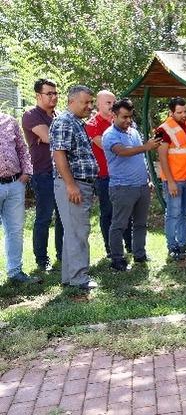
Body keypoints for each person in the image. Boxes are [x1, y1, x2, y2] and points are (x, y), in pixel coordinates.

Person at [101, 99, 161, 270]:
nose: (128, 120)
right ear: (114, 115)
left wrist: (148, 179)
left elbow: (141, 158)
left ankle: (139, 254)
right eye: (124, 117)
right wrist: (146, 146)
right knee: (119, 224)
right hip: (122, 187)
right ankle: (117, 259)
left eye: (130, 116)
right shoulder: (110, 135)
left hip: (141, 185)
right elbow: (123, 152)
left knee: (141, 223)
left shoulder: (133, 132)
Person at [51, 85, 99, 290]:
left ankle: (71, 277)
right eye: (85, 102)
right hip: (73, 184)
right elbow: (59, 154)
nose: (90, 106)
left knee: (73, 231)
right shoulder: (64, 122)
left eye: (91, 102)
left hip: (79, 184)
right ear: (72, 102)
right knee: (79, 232)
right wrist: (71, 185)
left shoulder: (75, 122)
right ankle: (79, 278)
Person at [22, 79, 63, 271]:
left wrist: (52, 137)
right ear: (38, 95)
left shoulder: (59, 115)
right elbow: (50, 138)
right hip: (43, 173)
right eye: (49, 93)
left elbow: (53, 138)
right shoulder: (31, 115)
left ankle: (63, 255)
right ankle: (41, 259)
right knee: (44, 217)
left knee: (63, 217)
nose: (54, 97)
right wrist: (51, 136)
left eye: (56, 93)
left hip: (63, 173)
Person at [85, 90, 131, 258]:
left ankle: (130, 245)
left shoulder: (121, 121)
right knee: (108, 212)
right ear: (98, 104)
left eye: (113, 102)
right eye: (108, 103)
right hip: (105, 175)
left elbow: (130, 143)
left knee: (127, 211)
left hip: (124, 173)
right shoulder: (92, 124)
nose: (112, 106)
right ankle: (111, 249)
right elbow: (108, 145)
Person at [156, 97, 186, 260]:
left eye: (185, 111)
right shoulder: (163, 129)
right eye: (179, 112)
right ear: (171, 112)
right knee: (173, 213)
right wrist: (170, 181)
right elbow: (162, 156)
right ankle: (172, 246)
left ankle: (183, 243)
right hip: (175, 179)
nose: (184, 115)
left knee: (185, 213)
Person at [0, 112, 39, 284]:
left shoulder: (9, 120)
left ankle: (15, 272)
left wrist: (27, 173)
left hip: (15, 183)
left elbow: (22, 149)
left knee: (15, 231)